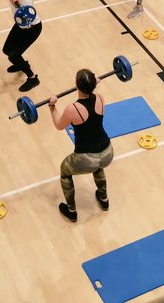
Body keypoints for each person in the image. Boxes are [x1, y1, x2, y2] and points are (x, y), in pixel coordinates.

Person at [49, 68, 113, 223]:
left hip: (86, 158)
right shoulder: (100, 98)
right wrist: (93, 86)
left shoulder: (73, 109)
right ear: (93, 85)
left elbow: (59, 125)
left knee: (65, 170)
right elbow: (92, 94)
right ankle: (104, 200)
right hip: (107, 152)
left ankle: (71, 211)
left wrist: (52, 107)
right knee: (98, 165)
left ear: (77, 85)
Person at [0, 0, 41, 92]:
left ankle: (32, 78)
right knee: (6, 50)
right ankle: (20, 63)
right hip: (20, 25)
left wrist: (19, 5)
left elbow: (28, 16)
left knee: (13, 56)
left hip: (31, 28)